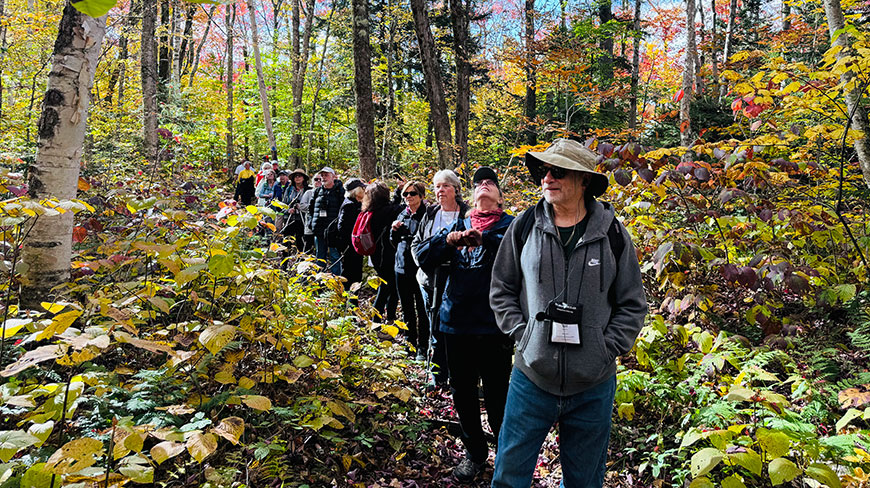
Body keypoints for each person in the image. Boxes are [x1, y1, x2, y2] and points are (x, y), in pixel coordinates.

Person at [489, 138, 648, 488]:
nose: (547, 178)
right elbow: (501, 288)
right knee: (509, 478)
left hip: (593, 385)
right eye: (544, 171)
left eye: (558, 172)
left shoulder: (612, 233)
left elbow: (632, 303)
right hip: (531, 378)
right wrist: (523, 335)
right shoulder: (525, 225)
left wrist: (604, 349)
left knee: (584, 483)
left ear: (583, 181)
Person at [415, 167, 515, 482]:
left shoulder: (511, 227)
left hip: (494, 326)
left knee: (498, 394)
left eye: (490, 183)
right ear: (471, 197)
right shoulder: (458, 224)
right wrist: (449, 240)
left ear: (499, 197)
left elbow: (522, 256)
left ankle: (506, 454)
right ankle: (475, 454)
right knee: (463, 394)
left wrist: (485, 238)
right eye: (478, 184)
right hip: (454, 323)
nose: (483, 186)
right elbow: (423, 257)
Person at [412, 169, 470, 387]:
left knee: (455, 330)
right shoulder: (430, 213)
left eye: (445, 185)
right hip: (429, 280)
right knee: (434, 328)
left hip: (457, 283)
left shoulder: (467, 215)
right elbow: (417, 244)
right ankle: (437, 376)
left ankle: (458, 376)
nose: (440, 190)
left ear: (456, 188)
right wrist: (422, 261)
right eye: (437, 186)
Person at [390, 181, 430, 358]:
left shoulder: (427, 216)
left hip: (420, 270)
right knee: (407, 308)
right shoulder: (402, 214)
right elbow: (394, 242)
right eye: (405, 194)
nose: (407, 197)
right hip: (401, 268)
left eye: (412, 194)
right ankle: (409, 344)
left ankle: (423, 346)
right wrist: (394, 230)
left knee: (422, 309)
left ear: (421, 196)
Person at [363, 182, 402, 322]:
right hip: (388, 255)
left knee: (387, 286)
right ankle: (378, 319)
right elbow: (398, 209)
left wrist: (398, 192)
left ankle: (386, 317)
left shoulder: (369, 211)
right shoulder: (389, 211)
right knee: (388, 287)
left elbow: (394, 207)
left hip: (376, 255)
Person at [310, 167, 345, 274]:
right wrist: (311, 224)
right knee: (320, 256)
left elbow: (344, 210)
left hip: (333, 231)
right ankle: (319, 281)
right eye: (323, 175)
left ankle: (336, 281)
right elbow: (311, 209)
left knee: (335, 255)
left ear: (334, 177)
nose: (324, 178)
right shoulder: (317, 191)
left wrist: (339, 227)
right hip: (319, 230)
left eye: (327, 175)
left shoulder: (340, 191)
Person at [336, 178, 366, 286]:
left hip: (355, 246)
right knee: (350, 275)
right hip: (350, 247)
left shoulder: (355, 204)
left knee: (356, 275)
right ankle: (347, 300)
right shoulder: (349, 205)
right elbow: (343, 228)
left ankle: (352, 299)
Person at [282, 168, 310, 249]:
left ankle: (300, 259)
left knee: (300, 241)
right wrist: (288, 210)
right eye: (296, 176)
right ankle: (285, 259)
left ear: (303, 178)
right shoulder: (289, 189)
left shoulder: (308, 190)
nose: (297, 178)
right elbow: (283, 204)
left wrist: (300, 207)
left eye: (300, 176)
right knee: (287, 240)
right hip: (289, 219)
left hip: (302, 219)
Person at [298, 174, 322, 253]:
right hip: (309, 224)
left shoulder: (326, 192)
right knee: (308, 246)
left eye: (320, 179)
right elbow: (302, 206)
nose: (318, 181)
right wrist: (314, 208)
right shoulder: (309, 193)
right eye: (316, 179)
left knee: (320, 248)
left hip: (322, 225)